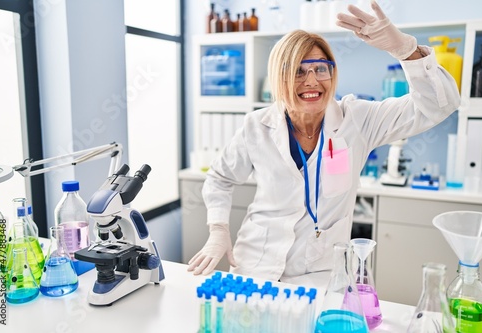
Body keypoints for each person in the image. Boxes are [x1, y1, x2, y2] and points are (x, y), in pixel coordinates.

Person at [187, 1, 460, 286]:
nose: (312, 81)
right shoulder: (257, 125)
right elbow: (219, 178)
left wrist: (406, 50)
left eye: (320, 68)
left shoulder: (358, 119)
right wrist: (218, 229)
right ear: (278, 78)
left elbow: (439, 105)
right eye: (297, 71)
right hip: (254, 265)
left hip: (321, 273)